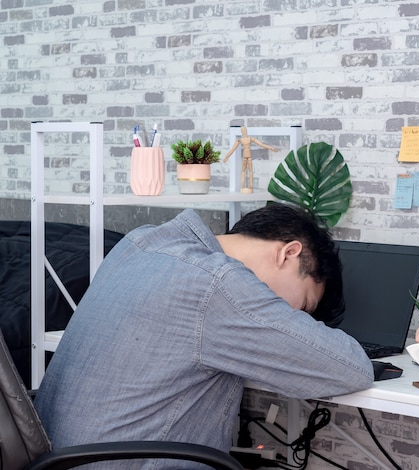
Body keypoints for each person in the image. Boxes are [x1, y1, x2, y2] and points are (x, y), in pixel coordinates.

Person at [34, 203, 373, 468]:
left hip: (58, 457)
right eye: (302, 305)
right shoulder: (220, 282)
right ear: (289, 253)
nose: (293, 317)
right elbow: (351, 368)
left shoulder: (141, 242)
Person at [222, 126, 279, 193]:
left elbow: (262, 144)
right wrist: (226, 157)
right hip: (246, 156)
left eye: (244, 130)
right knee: (245, 171)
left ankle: (250, 186)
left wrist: (272, 148)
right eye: (243, 130)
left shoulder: (245, 139)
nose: (244, 132)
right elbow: (232, 150)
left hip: (248, 156)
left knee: (249, 171)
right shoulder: (241, 140)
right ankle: (243, 186)